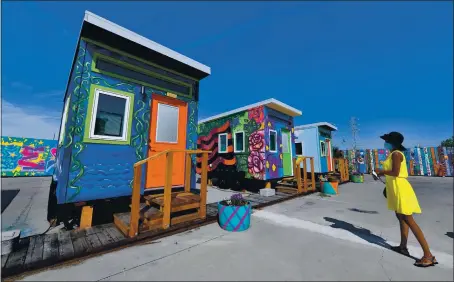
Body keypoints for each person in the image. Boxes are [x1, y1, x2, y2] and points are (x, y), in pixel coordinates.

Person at [375, 132, 437, 267]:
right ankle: (403, 247)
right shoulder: (393, 154)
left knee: (409, 220)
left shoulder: (397, 154)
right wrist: (379, 174)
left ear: (393, 143)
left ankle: (428, 255)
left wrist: (380, 171)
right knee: (401, 217)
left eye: (387, 141)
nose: (385, 143)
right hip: (395, 189)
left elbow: (395, 172)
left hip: (401, 189)